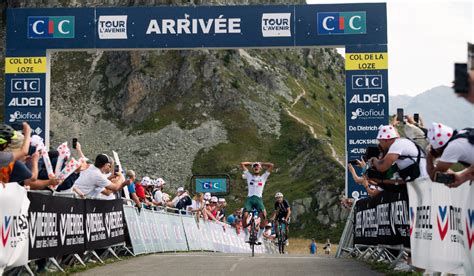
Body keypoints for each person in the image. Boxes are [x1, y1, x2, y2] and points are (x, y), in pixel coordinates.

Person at [426, 123, 474, 188]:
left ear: (439, 147)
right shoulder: (465, 132)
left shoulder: (452, 147)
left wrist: (429, 155)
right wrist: (464, 178)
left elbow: (433, 176)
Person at [240, 161, 274, 244]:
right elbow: (242, 164)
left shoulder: (263, 177)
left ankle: (259, 237)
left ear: (260, 168)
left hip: (258, 199)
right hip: (250, 199)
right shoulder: (249, 176)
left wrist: (261, 163)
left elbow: (271, 165)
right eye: (254, 166)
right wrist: (252, 163)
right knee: (244, 215)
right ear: (252, 168)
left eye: (258, 167)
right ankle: (247, 234)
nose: (256, 167)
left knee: (264, 216)